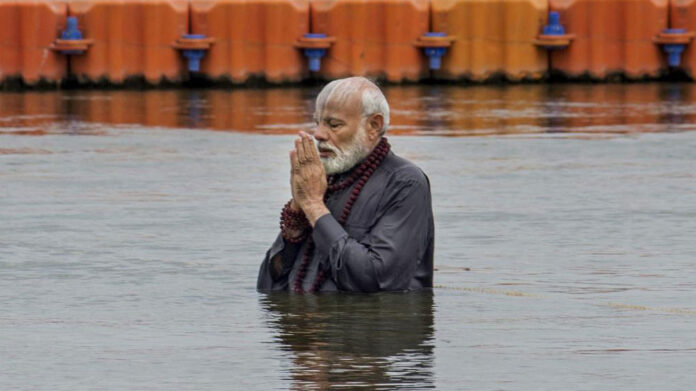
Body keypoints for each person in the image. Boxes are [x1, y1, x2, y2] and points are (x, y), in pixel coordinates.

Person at [256, 77, 434, 293]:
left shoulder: (406, 183)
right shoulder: (326, 180)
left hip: (371, 325)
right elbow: (267, 287)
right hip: (306, 322)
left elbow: (378, 281)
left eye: (334, 124)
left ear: (373, 126)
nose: (318, 134)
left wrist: (314, 206)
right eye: (317, 122)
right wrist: (297, 210)